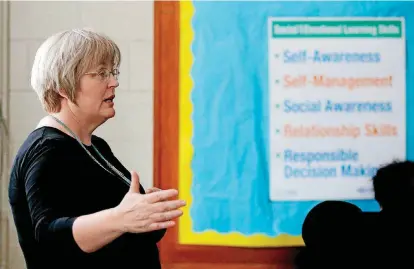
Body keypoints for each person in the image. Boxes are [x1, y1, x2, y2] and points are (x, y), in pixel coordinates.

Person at [8, 28, 186, 269]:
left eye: (112, 72)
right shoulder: (46, 150)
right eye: (101, 73)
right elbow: (49, 239)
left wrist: (148, 214)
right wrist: (121, 218)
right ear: (63, 85)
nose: (114, 82)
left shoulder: (96, 146)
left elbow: (124, 234)